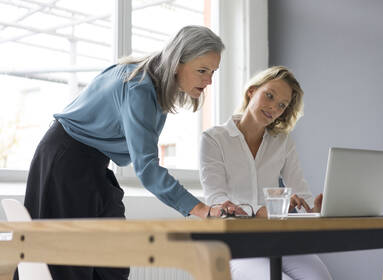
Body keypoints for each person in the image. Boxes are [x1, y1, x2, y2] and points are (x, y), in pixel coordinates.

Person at [22, 25, 226, 280]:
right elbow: (147, 168)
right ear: (177, 62)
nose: (208, 81)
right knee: (68, 263)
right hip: (66, 159)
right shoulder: (139, 85)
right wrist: (200, 209)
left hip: (92, 163)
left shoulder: (152, 85)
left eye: (213, 72)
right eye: (202, 70)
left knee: (113, 261)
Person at [199, 66, 333, 280]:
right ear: (252, 91)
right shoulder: (214, 139)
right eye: (269, 96)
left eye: (282, 105)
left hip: (278, 239)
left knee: (320, 278)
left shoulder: (283, 142)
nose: (273, 108)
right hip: (234, 244)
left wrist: (314, 212)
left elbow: (300, 191)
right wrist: (259, 211)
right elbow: (216, 201)